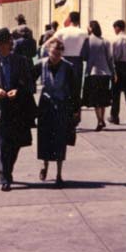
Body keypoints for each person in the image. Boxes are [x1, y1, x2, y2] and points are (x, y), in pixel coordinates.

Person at [0, 27, 36, 191]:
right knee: (1, 146)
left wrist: (19, 91)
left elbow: (30, 84)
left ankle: (8, 170)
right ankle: (4, 178)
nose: (10, 44)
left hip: (16, 109)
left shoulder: (20, 60)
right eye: (7, 42)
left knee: (15, 145)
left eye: (10, 42)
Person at [34, 35, 80, 186]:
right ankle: (44, 165)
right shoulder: (41, 64)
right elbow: (28, 81)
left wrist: (75, 110)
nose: (55, 55)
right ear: (48, 51)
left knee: (60, 140)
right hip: (45, 106)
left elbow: (74, 90)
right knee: (45, 138)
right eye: (53, 52)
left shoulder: (68, 67)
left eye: (59, 53)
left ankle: (59, 174)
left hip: (61, 106)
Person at [80, 20, 114, 131]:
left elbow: (84, 56)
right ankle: (102, 119)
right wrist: (113, 72)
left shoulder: (87, 41)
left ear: (91, 28)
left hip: (93, 73)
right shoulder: (105, 41)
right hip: (105, 73)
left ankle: (99, 120)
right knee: (103, 98)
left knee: (96, 99)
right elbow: (110, 59)